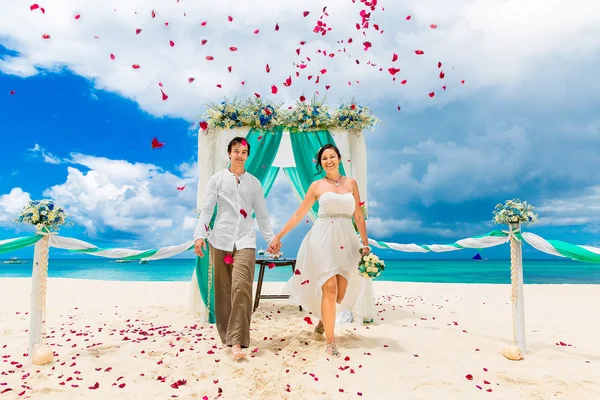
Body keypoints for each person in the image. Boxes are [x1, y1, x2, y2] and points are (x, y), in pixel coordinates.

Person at [267, 144, 370, 357]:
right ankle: (330, 342)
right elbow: (298, 213)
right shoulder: (317, 185)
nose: (329, 161)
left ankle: (324, 320)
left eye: (332, 156)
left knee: (340, 293)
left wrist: (365, 243)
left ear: (339, 159)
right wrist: (278, 236)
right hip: (323, 237)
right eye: (324, 158)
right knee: (329, 288)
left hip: (347, 238)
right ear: (320, 162)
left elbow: (358, 215)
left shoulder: (351, 183)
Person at [193, 136, 276, 361]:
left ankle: (237, 341)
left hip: (246, 240)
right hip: (219, 240)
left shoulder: (254, 183)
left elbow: (263, 214)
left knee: (241, 287)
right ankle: (227, 338)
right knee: (222, 290)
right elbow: (207, 210)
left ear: (248, 156)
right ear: (229, 153)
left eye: (244, 152)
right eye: (236, 151)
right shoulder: (216, 180)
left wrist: (270, 239)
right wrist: (199, 236)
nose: (240, 155)